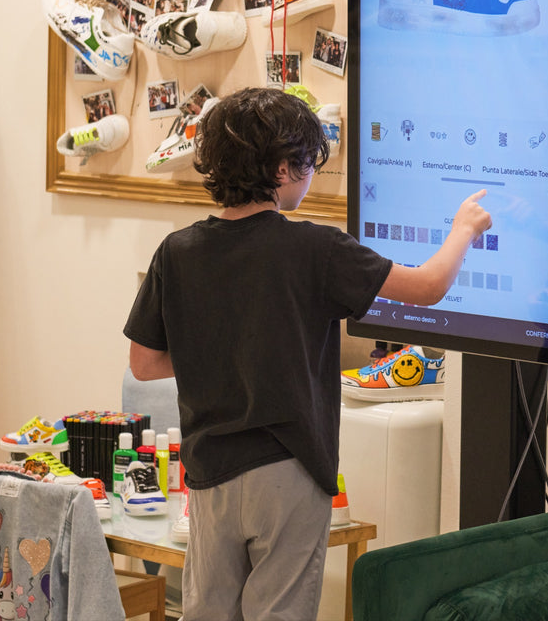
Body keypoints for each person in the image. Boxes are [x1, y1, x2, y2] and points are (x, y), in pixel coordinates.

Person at [123, 87, 491, 621]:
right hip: (288, 468)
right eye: (307, 165)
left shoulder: (176, 252)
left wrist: (221, 350)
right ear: (281, 169)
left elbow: (145, 362)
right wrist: (463, 229)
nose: (311, 175)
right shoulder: (317, 249)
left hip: (208, 472)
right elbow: (429, 287)